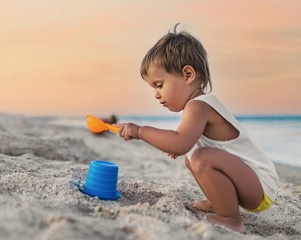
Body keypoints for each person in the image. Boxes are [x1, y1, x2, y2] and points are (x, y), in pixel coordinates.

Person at [117, 24, 279, 234]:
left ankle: (230, 218)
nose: (156, 94)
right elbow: (181, 144)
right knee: (192, 157)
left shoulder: (198, 106)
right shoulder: (197, 106)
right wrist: (177, 146)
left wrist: (140, 131)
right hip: (249, 182)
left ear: (188, 75)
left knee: (201, 158)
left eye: (159, 85)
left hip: (259, 185)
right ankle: (219, 201)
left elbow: (181, 141)